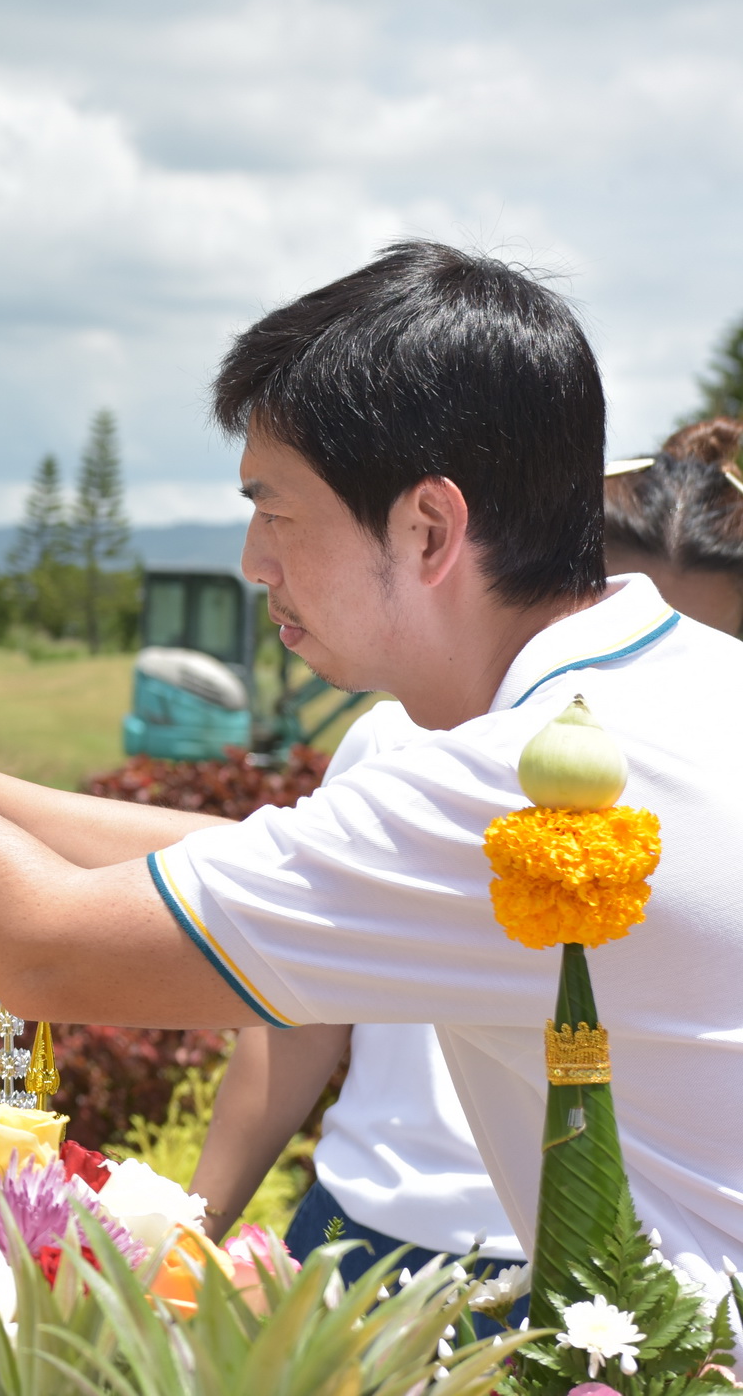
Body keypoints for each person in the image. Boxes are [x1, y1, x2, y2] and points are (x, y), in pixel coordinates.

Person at [0, 241, 743, 1278]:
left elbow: (47, 947)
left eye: (278, 510)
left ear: (425, 528)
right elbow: (234, 857)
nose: (255, 560)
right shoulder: (668, 692)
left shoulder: (526, 782)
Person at [192, 414, 743, 1277]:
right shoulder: (403, 747)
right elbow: (296, 1018)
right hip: (367, 1241)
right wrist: (187, 1236)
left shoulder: (717, 787)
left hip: (590, 1288)